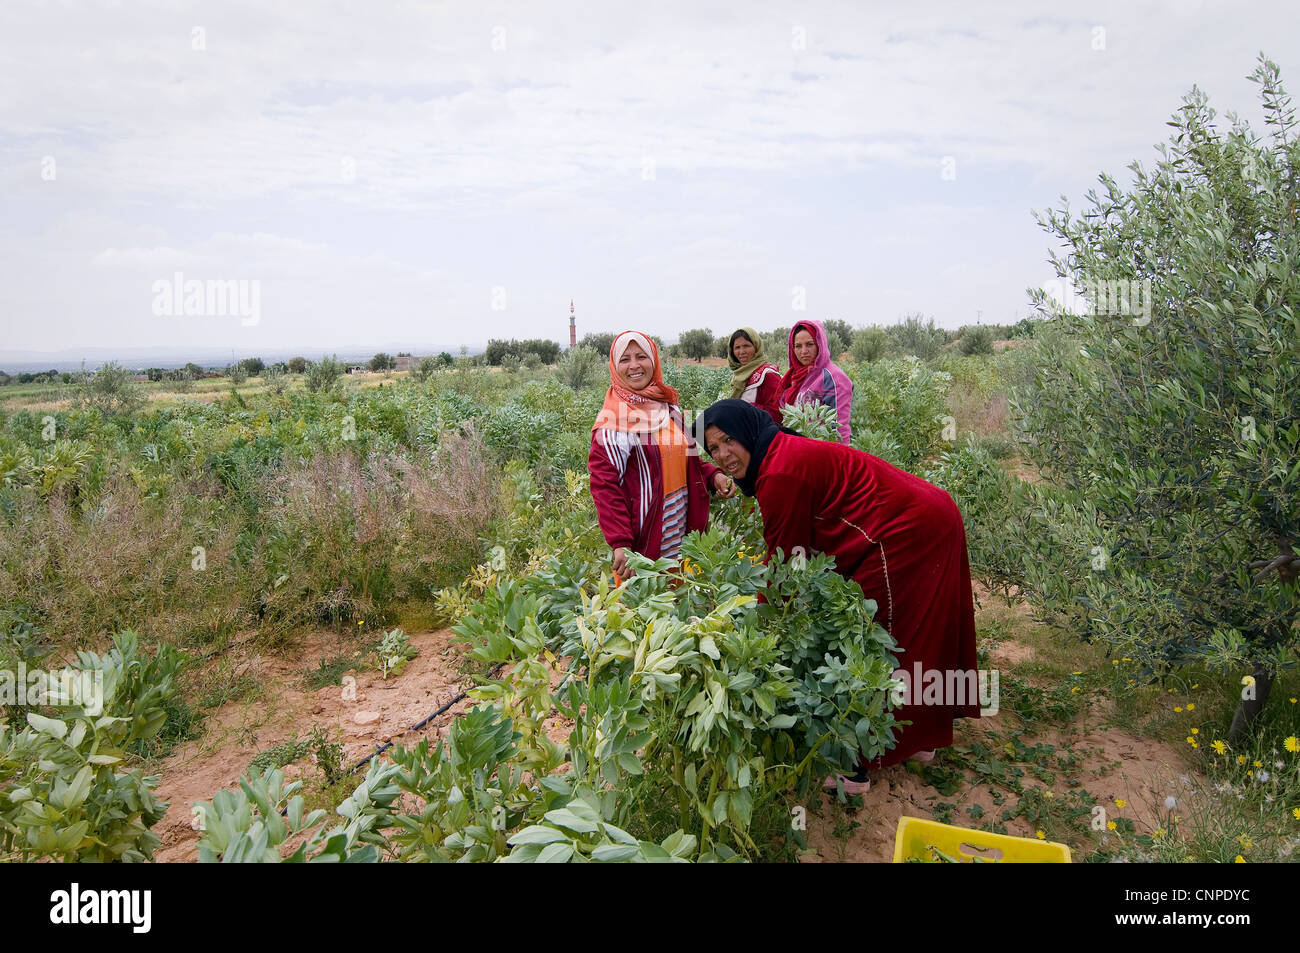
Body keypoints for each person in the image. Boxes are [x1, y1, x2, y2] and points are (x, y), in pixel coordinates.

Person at [700, 399, 980, 794]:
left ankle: (854, 766)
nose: (723, 455)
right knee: (920, 631)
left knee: (874, 635)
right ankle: (920, 741)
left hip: (907, 530)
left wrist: (752, 637)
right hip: (929, 515)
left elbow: (784, 569)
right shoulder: (779, 451)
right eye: (713, 449)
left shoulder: (779, 473)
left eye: (728, 440)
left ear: (747, 431)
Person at [590, 331, 737, 583]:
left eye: (641, 357)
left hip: (680, 531)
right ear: (614, 366)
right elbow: (605, 486)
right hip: (644, 542)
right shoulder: (612, 423)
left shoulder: (668, 407)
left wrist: (714, 476)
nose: (634, 365)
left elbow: (687, 460)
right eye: (624, 359)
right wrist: (621, 543)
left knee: (681, 605)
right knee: (645, 613)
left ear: (654, 361)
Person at [778, 319, 854, 443]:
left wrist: (837, 460)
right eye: (798, 346)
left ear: (820, 344)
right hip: (799, 448)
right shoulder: (797, 376)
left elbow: (839, 428)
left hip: (821, 452)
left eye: (809, 344)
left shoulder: (833, 377)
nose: (803, 351)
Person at [725, 327, 783, 424]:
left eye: (746, 346)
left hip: (762, 435)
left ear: (756, 347)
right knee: (698, 430)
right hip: (744, 431)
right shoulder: (740, 376)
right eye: (737, 348)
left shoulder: (768, 375)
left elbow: (778, 414)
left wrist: (745, 408)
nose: (742, 352)